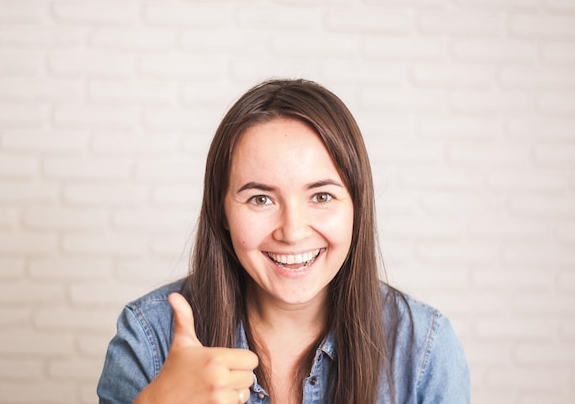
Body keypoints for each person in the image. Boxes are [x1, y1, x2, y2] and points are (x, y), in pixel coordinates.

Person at [97, 79, 470, 404]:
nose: (292, 231)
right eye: (260, 199)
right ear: (222, 211)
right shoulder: (149, 337)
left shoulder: (424, 347)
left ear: (357, 206)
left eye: (321, 196)